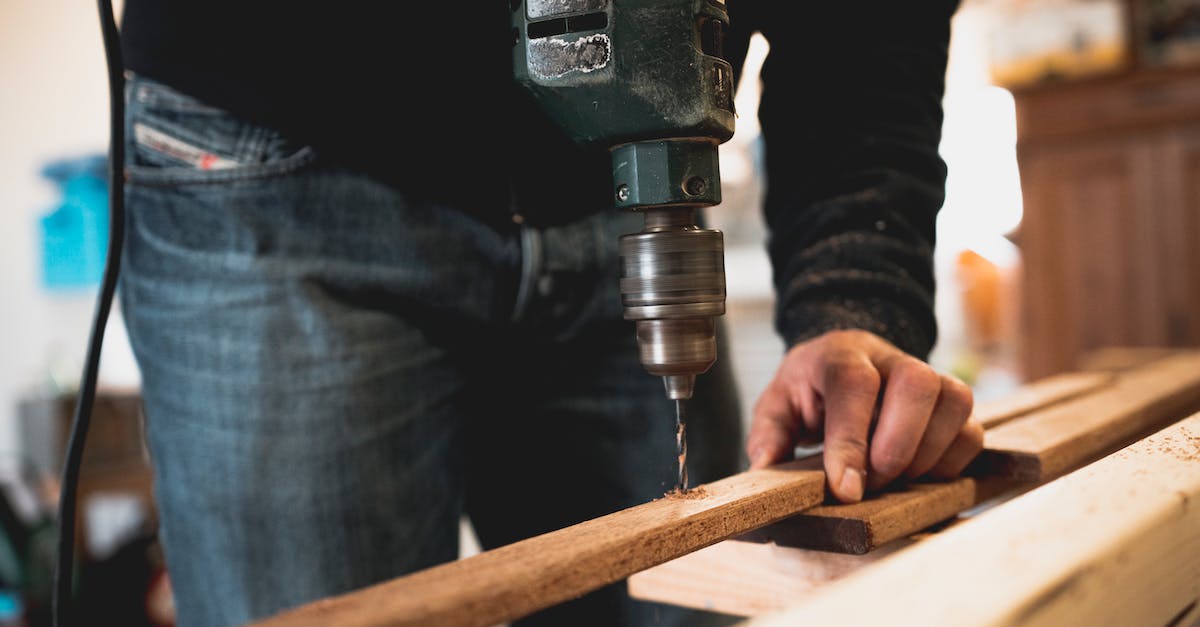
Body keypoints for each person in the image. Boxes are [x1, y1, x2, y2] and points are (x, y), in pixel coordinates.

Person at [115, 2, 981, 625]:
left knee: (691, 593)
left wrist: (852, 290)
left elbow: (872, 23)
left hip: (604, 183)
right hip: (274, 150)